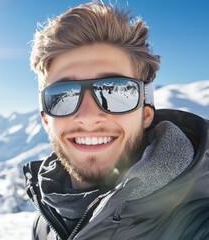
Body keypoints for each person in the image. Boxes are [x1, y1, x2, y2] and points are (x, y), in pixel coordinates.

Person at [23, 1, 209, 239]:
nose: (89, 117)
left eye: (115, 92)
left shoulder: (197, 224)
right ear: (46, 120)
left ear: (146, 114)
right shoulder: (46, 222)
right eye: (64, 96)